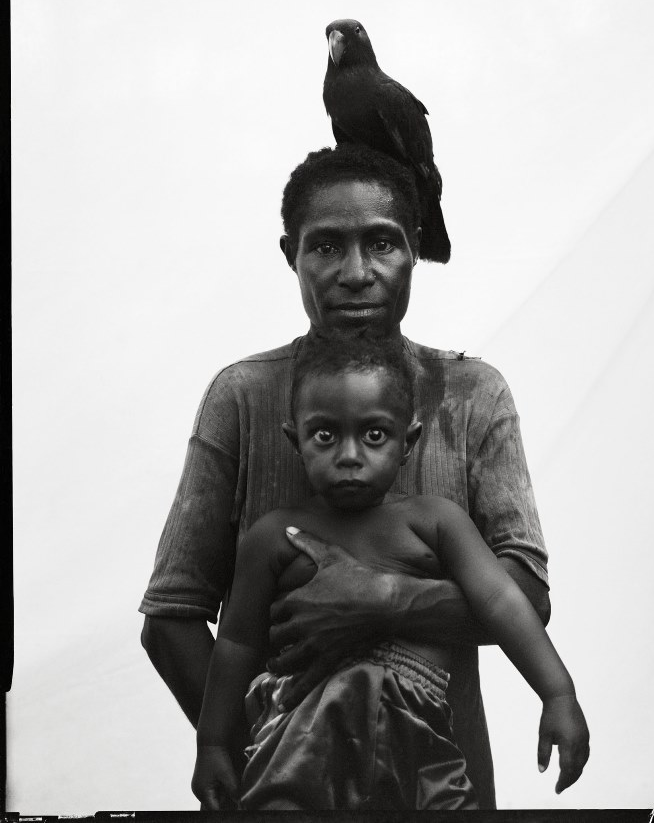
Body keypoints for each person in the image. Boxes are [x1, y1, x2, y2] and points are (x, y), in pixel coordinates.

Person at [140, 143, 551, 809]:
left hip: (444, 791)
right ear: (290, 254)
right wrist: (278, 755)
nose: (356, 272)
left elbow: (526, 598)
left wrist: (376, 599)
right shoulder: (243, 397)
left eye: (381, 243)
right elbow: (171, 618)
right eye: (326, 246)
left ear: (415, 249)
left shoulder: (473, 393)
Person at [192, 333, 589, 810]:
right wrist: (213, 743)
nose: (350, 454)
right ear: (295, 441)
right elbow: (237, 643)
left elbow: (502, 601)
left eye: (374, 435)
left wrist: (558, 693)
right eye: (325, 435)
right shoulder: (275, 535)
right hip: (296, 747)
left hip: (422, 747)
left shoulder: (436, 522)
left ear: (408, 442)